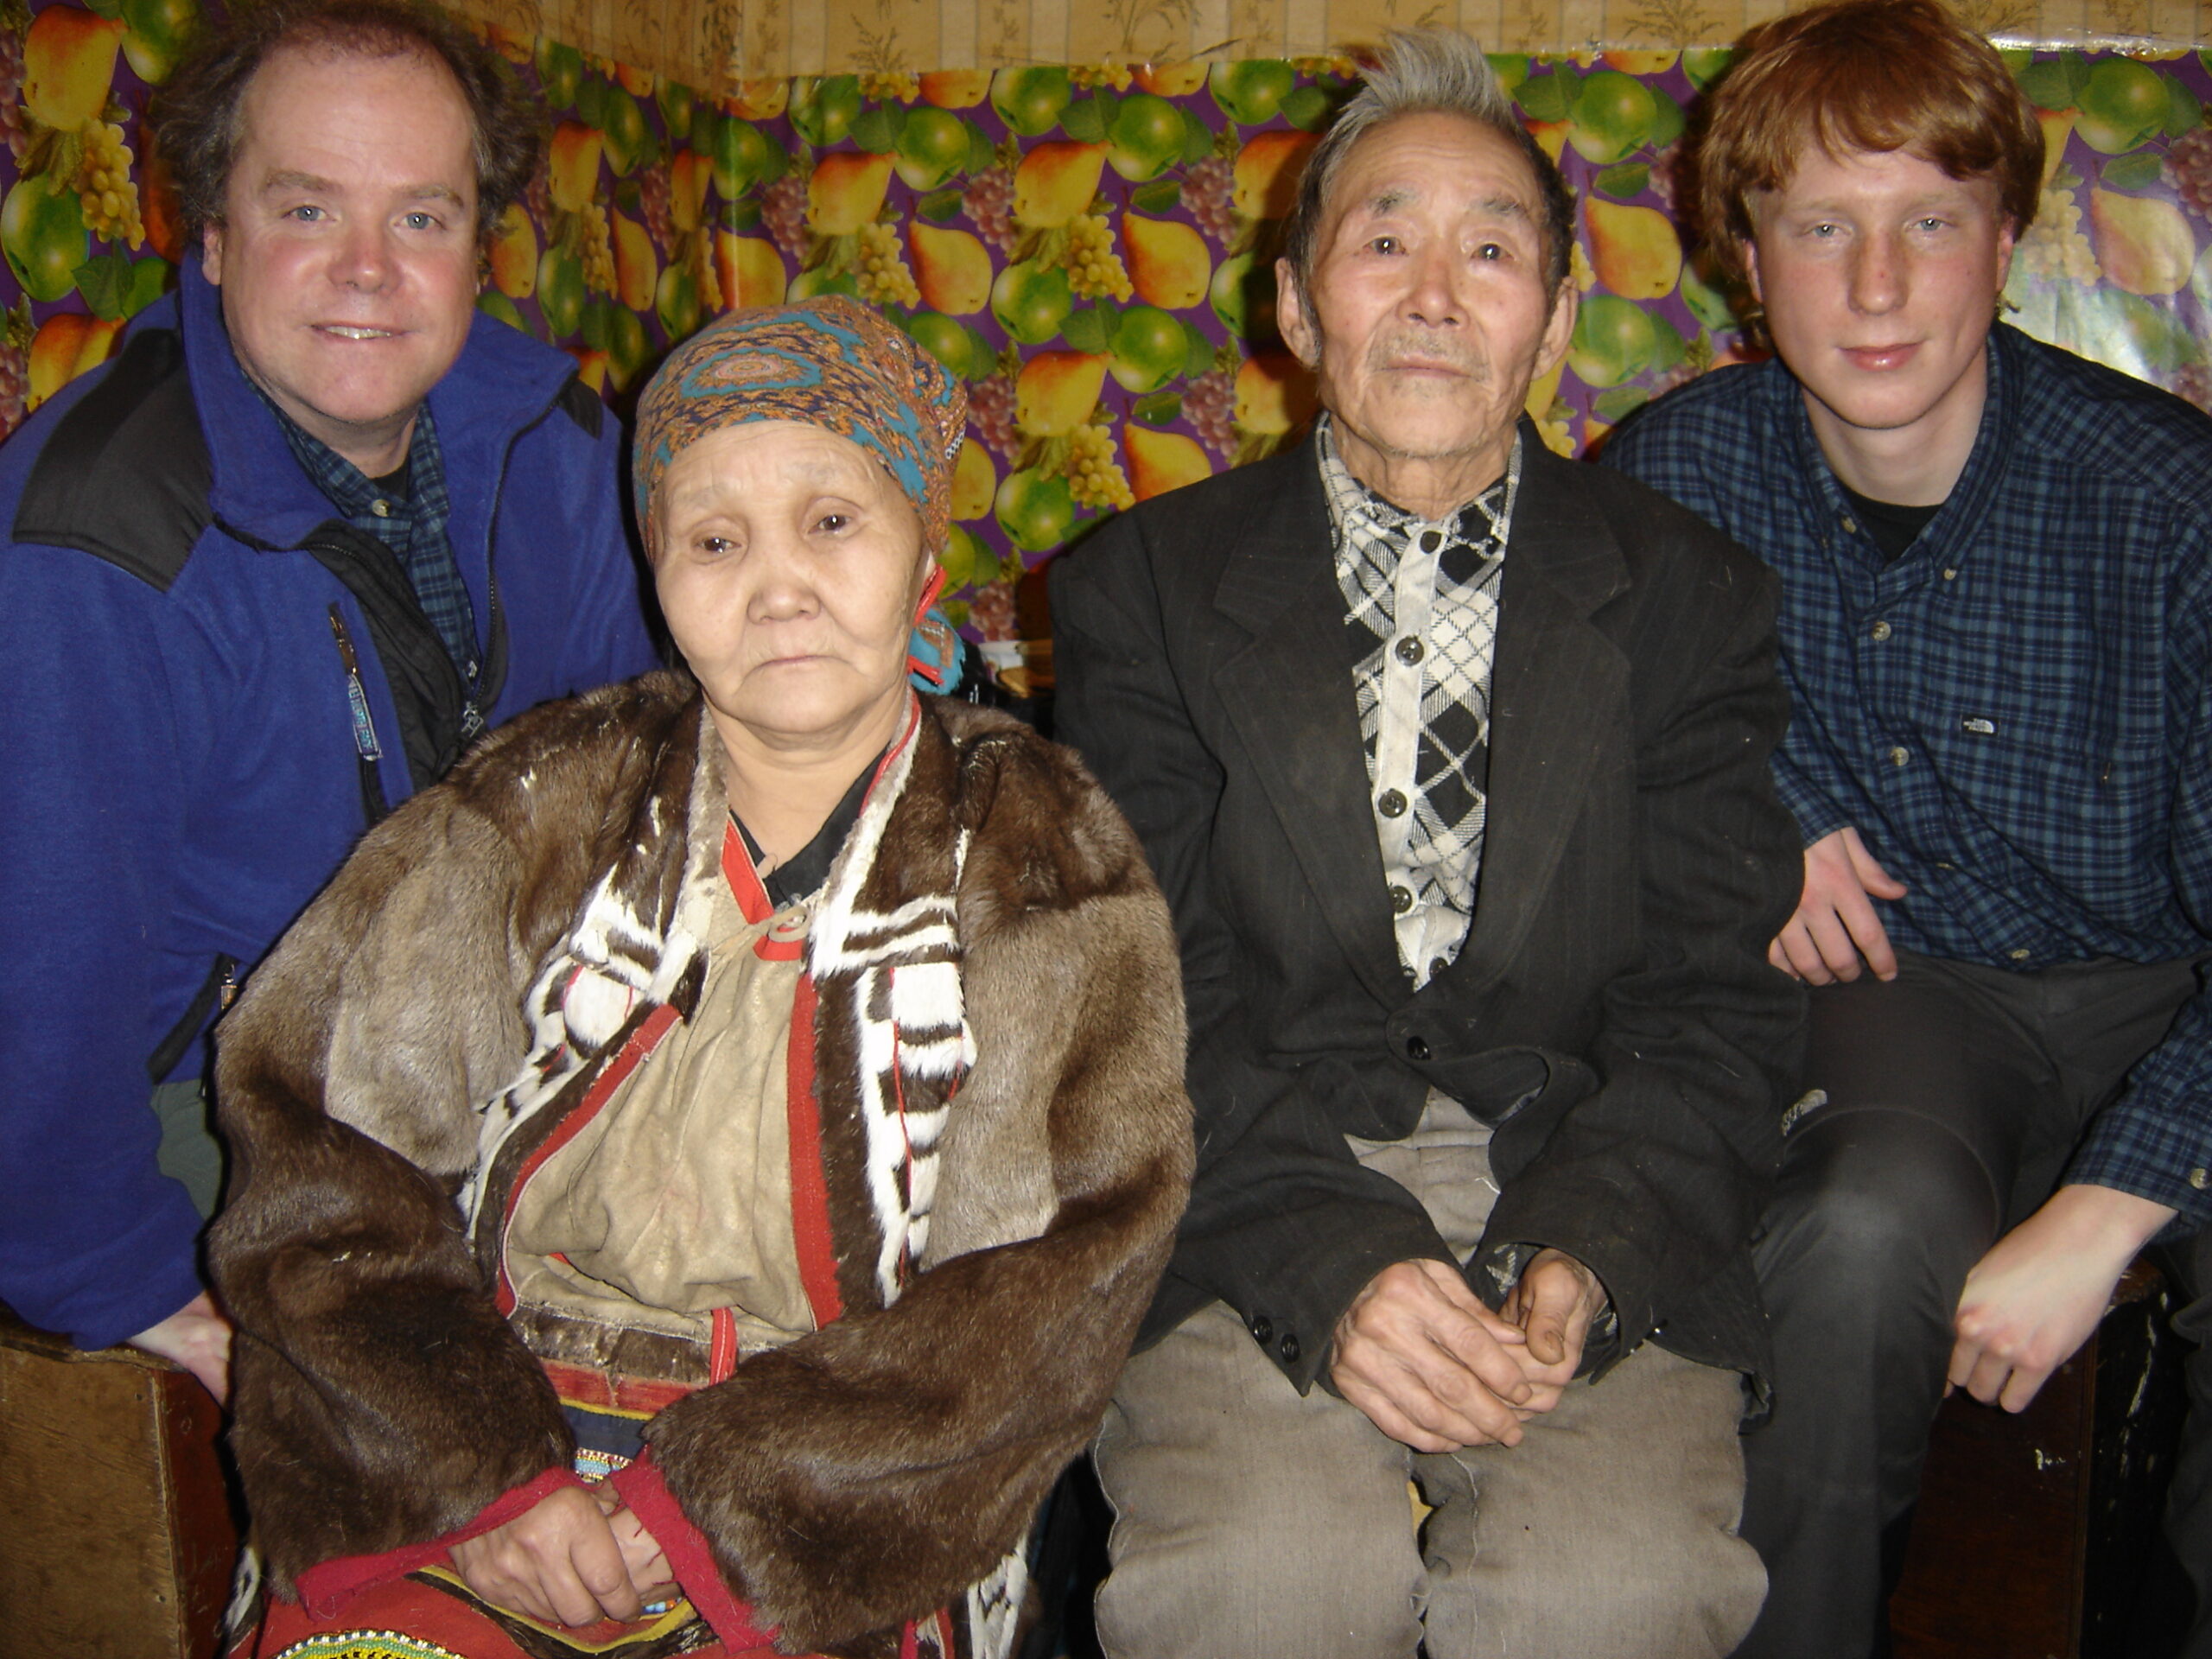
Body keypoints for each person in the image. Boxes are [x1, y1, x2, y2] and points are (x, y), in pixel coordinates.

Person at [206, 296, 1193, 1659]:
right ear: (657, 571)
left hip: (829, 1502)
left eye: (832, 522)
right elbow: (320, 1145)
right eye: (715, 540)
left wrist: (710, 1512)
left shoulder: (1042, 861)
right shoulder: (538, 806)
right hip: (482, 1441)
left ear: (924, 559)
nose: (776, 586)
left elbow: (1059, 1271)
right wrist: (479, 1471)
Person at [1050, 31, 1806, 1659]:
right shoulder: (1141, 591)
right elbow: (1138, 998)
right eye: (1384, 240)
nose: (1437, 297)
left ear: (1557, 319)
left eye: (1493, 251)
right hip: (1247, 1170)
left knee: (1608, 1596)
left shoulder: (1691, 597)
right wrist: (1337, 1257)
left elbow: (1717, 1005)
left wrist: (1586, 1253)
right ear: (1297, 304)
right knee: (1264, 1585)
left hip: (1587, 1175)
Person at [1604, 3, 2212, 1652]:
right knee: (1856, 1235)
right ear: (1747, 260)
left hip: (2178, 983)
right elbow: (1569, 728)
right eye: (1822, 228)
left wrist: (2108, 1210)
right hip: (1912, 995)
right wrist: (1756, 811)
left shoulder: (2169, 507)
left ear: (2006, 242)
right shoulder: (1671, 480)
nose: (1876, 289)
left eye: (1929, 223)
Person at [0, 0, 657, 1397]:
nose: (368, 268)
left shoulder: (553, 441)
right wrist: (129, 1283)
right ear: (212, 232)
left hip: (490, 1062)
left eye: (421, 217)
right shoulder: (100, 543)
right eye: (307, 208)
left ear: (478, 247)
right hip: (211, 1110)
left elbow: (654, 770)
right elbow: (35, 986)